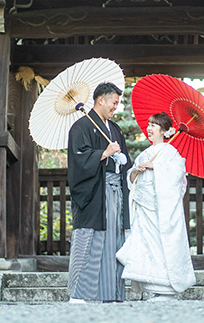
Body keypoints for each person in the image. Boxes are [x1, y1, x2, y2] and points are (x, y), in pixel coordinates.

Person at [116, 112, 196, 301]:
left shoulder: (171, 153)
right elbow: (131, 180)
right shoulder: (144, 154)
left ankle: (166, 289)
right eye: (149, 124)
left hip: (161, 209)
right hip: (144, 208)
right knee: (146, 247)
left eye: (154, 125)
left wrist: (156, 167)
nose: (149, 128)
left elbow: (178, 175)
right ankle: (154, 288)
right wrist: (135, 171)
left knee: (161, 245)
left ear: (164, 131)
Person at [67, 82, 130, 303]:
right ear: (100, 100)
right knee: (88, 239)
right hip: (94, 192)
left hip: (115, 192)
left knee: (114, 240)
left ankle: (111, 294)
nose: (116, 107)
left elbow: (125, 163)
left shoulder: (116, 129)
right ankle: (78, 294)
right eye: (114, 102)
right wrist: (104, 153)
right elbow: (78, 159)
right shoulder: (81, 127)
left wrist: (129, 166)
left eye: (118, 103)